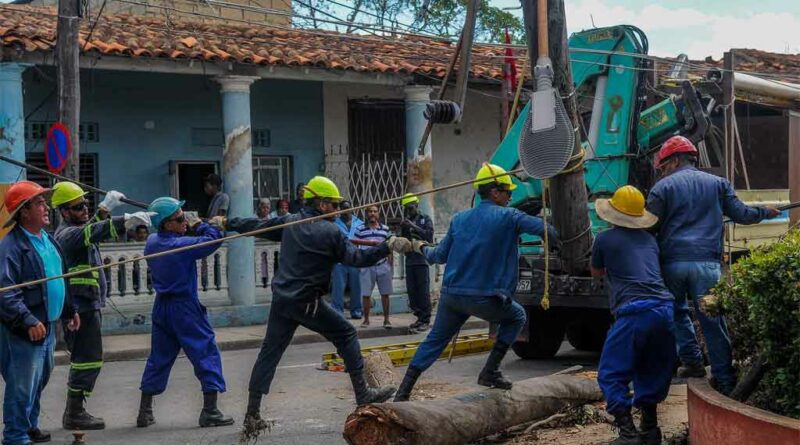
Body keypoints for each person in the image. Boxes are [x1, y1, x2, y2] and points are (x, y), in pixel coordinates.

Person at [222, 176, 413, 431]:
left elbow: (256, 225)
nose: (338, 210)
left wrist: (226, 222)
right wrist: (387, 246)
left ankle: (252, 414)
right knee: (346, 334)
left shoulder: (291, 222)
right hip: (306, 302)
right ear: (322, 205)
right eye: (334, 205)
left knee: (269, 353)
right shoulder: (331, 232)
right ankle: (362, 394)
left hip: (282, 301)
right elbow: (357, 259)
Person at [393, 163, 558, 402]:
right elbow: (548, 231)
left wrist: (420, 247)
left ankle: (403, 393)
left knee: (434, 341)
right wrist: (560, 242)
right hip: (484, 297)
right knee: (517, 316)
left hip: (452, 296)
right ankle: (490, 371)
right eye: (507, 192)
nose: (511, 197)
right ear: (494, 193)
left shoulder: (459, 219)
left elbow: (438, 256)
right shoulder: (510, 216)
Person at [646, 136, 779, 394]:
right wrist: (765, 211)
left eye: (664, 166)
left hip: (672, 263)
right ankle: (725, 379)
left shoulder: (661, 189)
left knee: (677, 313)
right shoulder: (718, 184)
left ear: (675, 161)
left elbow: (649, 227)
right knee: (713, 320)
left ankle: (692, 362)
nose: (663, 171)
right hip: (707, 265)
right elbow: (742, 214)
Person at [50, 182, 153, 430]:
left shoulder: (77, 229)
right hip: (80, 308)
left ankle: (75, 410)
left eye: (85, 204)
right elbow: (90, 233)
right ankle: (74, 413)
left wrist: (104, 210)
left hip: (88, 305)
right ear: (64, 212)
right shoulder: (65, 235)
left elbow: (90, 229)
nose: (84, 209)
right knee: (86, 360)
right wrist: (122, 221)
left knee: (89, 358)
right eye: (78, 207)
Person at [136, 197, 233, 429]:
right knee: (205, 352)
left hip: (162, 307)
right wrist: (203, 225)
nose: (184, 222)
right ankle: (210, 411)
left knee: (158, 358)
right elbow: (213, 241)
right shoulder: (179, 246)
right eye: (180, 219)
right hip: (184, 307)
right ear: (167, 224)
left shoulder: (152, 242)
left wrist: (189, 223)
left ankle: (144, 411)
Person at [592, 185, 676, 445]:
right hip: (664, 309)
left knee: (611, 373)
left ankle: (628, 433)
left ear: (613, 214)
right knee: (651, 368)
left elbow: (597, 273)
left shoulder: (604, 239)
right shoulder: (650, 240)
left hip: (634, 311)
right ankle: (650, 429)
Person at [0, 181, 80, 445]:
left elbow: (60, 278)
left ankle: (29, 426)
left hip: (47, 325)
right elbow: (5, 292)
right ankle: (15, 436)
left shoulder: (48, 240)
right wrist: (27, 320)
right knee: (22, 385)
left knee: (38, 381)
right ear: (24, 211)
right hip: (24, 329)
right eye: (40, 203)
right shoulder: (11, 247)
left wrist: (69, 310)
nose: (46, 208)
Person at [398, 193, 434, 332]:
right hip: (410, 260)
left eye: (411, 208)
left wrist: (413, 226)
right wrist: (402, 229)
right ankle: (419, 317)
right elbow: (402, 241)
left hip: (421, 261)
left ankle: (425, 320)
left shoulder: (425, 219)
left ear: (417, 205)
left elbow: (429, 236)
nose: (409, 211)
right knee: (412, 292)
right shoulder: (406, 222)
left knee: (423, 292)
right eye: (406, 208)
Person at [353, 205, 394, 329]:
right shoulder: (360, 229)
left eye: (375, 211)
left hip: (383, 265)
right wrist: (358, 263)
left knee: (385, 294)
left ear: (378, 214)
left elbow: (390, 246)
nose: (372, 213)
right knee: (366, 294)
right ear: (366, 214)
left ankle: (386, 320)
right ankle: (366, 320)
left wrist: (390, 264)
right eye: (370, 211)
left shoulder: (385, 229)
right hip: (366, 266)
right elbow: (354, 246)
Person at [331, 200, 364, 319]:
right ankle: (337, 311)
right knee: (338, 286)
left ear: (351, 208)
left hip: (355, 258)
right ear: (340, 209)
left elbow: (363, 242)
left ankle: (356, 311)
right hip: (340, 259)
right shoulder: (334, 223)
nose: (346, 211)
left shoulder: (359, 223)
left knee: (356, 286)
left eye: (347, 208)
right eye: (343, 208)